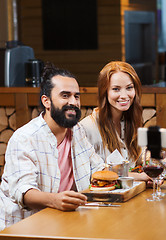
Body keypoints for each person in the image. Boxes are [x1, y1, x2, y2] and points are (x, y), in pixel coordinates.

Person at [0, 64, 105, 230]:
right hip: (23, 229)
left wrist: (135, 177)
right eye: (65, 96)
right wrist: (55, 200)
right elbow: (23, 191)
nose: (73, 102)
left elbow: (99, 168)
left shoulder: (77, 131)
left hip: (65, 222)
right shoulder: (24, 138)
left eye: (76, 97)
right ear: (46, 101)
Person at [80, 61, 149, 182]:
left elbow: (141, 155)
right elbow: (96, 172)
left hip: (131, 194)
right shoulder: (87, 127)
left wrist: (151, 160)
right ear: (104, 92)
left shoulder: (131, 120)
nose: (124, 95)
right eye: (116, 89)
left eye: (129, 88)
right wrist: (141, 177)